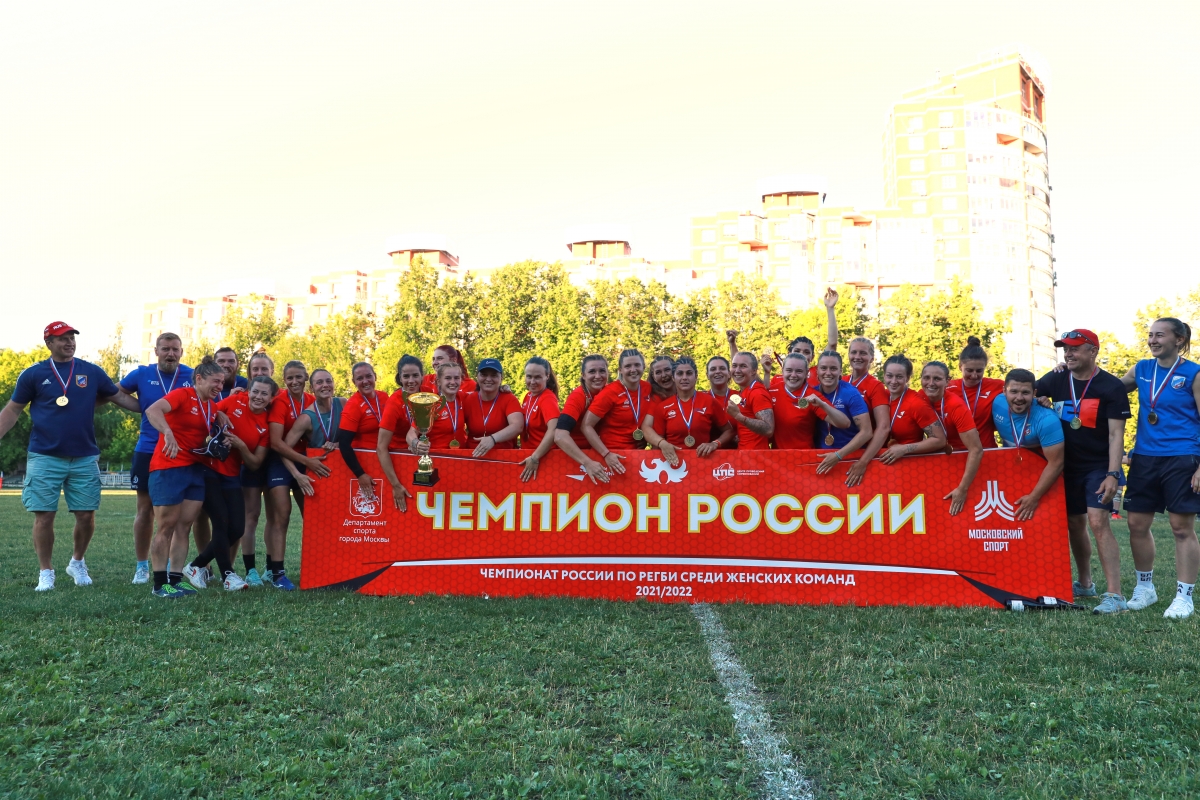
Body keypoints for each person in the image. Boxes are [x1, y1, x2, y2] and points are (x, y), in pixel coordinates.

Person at [0, 321, 137, 591]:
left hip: (84, 457)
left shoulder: (91, 371)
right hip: (44, 456)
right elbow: (13, 409)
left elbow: (120, 398)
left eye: (72, 337)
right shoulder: (33, 374)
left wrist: (157, 408)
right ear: (49, 343)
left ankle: (77, 561)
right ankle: (46, 572)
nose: (69, 342)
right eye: (62, 338)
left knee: (86, 516)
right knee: (44, 516)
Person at [1035, 330, 1131, 612]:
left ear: (1093, 351)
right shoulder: (1056, 378)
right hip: (1065, 466)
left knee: (1098, 522)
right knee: (1074, 524)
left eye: (1075, 348)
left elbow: (1116, 435)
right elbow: (1023, 394)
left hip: (1098, 466)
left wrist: (1113, 474)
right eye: (1065, 349)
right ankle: (1086, 584)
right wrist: (1039, 401)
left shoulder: (1110, 386)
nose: (1069, 354)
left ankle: (1115, 595)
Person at [1117, 318, 1200, 619]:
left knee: (1181, 528)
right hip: (1144, 457)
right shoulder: (1141, 369)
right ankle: (1145, 588)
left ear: (1179, 340)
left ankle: (1184, 597)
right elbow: (1107, 389)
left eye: (1159, 335)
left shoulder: (1193, 373)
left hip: (1182, 456)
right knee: (1136, 524)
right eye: (1150, 335)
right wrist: (1069, 374)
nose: (1152, 340)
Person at [143, 356, 228, 598]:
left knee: (184, 526)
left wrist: (220, 433)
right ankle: (160, 584)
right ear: (199, 379)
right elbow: (152, 410)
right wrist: (167, 432)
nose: (219, 387)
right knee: (166, 526)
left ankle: (176, 579)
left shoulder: (212, 405)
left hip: (195, 469)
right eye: (215, 381)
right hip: (168, 467)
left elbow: (206, 428)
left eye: (222, 383)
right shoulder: (182, 394)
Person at [181, 375, 275, 591]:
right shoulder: (233, 401)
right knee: (221, 522)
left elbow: (255, 463)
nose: (258, 397)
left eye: (264, 393)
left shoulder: (266, 425)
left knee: (237, 528)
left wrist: (241, 446)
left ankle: (196, 566)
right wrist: (219, 411)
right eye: (255, 391)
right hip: (209, 468)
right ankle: (228, 576)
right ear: (248, 391)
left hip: (232, 474)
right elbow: (207, 409)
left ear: (271, 398)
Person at [119, 332, 194, 584]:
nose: (170, 354)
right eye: (165, 349)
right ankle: (142, 566)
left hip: (179, 451)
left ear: (181, 352)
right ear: (156, 351)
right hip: (148, 448)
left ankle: (171, 566)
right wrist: (140, 407)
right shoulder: (142, 374)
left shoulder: (192, 375)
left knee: (175, 513)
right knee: (145, 509)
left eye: (175, 349)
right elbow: (116, 392)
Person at [261, 360, 317, 590]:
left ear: (306, 378)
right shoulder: (280, 402)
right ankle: (277, 574)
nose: (294, 381)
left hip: (305, 461)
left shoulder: (312, 400)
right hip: (280, 462)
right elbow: (276, 443)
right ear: (284, 380)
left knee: (312, 517)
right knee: (281, 516)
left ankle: (316, 568)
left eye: (298, 377)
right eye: (290, 378)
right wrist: (299, 467)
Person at [991, 369, 1065, 521]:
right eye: (1014, 391)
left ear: (1034, 393)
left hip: (1041, 476)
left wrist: (1034, 497)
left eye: (1025, 392)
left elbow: (1056, 463)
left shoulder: (1047, 420)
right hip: (1009, 473)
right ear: (1004, 391)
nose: (1019, 398)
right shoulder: (997, 403)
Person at [237, 353, 284, 585]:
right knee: (251, 515)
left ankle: (270, 568)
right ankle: (250, 570)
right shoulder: (241, 396)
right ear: (249, 372)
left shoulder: (281, 397)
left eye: (264, 369)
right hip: (250, 462)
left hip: (273, 461)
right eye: (255, 369)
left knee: (274, 517)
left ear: (272, 371)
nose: (259, 373)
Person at [729, 287, 837, 386]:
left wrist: (830, 308)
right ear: (789, 353)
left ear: (812, 357)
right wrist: (732, 343)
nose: (801, 354)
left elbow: (832, 345)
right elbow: (745, 370)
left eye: (806, 352)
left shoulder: (819, 373)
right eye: (797, 351)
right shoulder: (777, 379)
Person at [919, 361, 985, 516]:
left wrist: (963, 489)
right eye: (926, 378)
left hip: (962, 464)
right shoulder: (919, 398)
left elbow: (976, 450)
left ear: (947, 381)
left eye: (937, 379)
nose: (931, 383)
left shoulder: (956, 406)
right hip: (936, 463)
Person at [641, 356, 734, 462]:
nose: (684, 377)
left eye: (689, 373)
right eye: (680, 373)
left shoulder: (709, 401)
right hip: (673, 463)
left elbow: (729, 431)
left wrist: (715, 443)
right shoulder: (662, 407)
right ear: (673, 377)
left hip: (703, 462)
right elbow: (657, 444)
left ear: (696, 376)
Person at [580, 349, 653, 475]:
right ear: (620, 370)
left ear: (643, 367)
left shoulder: (647, 388)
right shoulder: (609, 392)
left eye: (637, 365)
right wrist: (606, 454)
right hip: (611, 456)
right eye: (628, 366)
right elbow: (586, 426)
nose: (633, 369)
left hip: (637, 455)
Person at [331, 362, 391, 506]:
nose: (365, 381)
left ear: (375, 376)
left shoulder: (384, 397)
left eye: (368, 376)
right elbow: (344, 444)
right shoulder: (353, 405)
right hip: (367, 463)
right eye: (360, 378)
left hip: (387, 459)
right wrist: (360, 474)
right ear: (354, 381)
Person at [811, 351, 875, 482]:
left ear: (840, 371)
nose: (828, 373)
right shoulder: (813, 393)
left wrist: (838, 455)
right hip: (822, 461)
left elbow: (867, 432)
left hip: (848, 460)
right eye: (823, 368)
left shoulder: (851, 393)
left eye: (833, 368)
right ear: (817, 371)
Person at [767, 353, 850, 449]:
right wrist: (766, 373)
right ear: (782, 371)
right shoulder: (772, 391)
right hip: (776, 456)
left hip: (804, 455)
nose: (793, 375)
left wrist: (822, 405)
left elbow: (845, 423)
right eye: (789, 370)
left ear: (806, 373)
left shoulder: (812, 395)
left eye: (799, 371)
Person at [876, 355, 947, 464]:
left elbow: (940, 440)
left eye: (899, 377)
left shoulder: (916, 403)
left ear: (908, 378)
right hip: (881, 463)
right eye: (889, 376)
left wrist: (904, 449)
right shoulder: (881, 397)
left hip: (910, 465)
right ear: (884, 376)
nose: (893, 381)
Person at [553, 355, 612, 484]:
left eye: (602, 371)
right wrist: (587, 462)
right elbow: (559, 436)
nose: (598, 376)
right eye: (592, 371)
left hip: (599, 453)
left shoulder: (611, 392)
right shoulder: (578, 397)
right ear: (583, 375)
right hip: (574, 458)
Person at [842, 336, 891, 486]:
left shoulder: (875, 386)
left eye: (863, 353)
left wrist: (863, 461)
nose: (857, 357)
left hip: (862, 454)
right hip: (840, 451)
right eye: (854, 352)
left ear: (871, 358)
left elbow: (884, 427)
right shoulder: (840, 381)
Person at [377, 355, 424, 510]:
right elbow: (381, 447)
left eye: (415, 375)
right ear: (400, 378)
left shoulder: (429, 394)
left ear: (422, 376)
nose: (411, 381)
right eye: (406, 376)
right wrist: (395, 485)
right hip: (400, 460)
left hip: (422, 456)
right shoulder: (394, 402)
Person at [949, 337, 1005, 447]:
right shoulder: (948, 388)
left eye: (979, 371)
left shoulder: (996, 386)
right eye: (969, 370)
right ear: (960, 367)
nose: (974, 375)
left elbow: (1025, 391)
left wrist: (1039, 400)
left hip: (987, 452)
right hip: (956, 453)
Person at [462, 359, 523, 458]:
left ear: (501, 378)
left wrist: (492, 439)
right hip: (473, 457)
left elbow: (517, 426)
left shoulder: (509, 398)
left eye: (494, 375)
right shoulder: (468, 399)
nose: (488, 379)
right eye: (484, 375)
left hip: (503, 458)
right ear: (477, 377)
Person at [408, 362, 471, 453]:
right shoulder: (431, 403)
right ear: (438, 381)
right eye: (448, 378)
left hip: (460, 456)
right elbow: (411, 433)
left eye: (456, 378)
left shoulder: (463, 398)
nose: (453, 382)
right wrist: (416, 444)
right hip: (438, 457)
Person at [517, 357, 561, 482]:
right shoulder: (528, 396)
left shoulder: (547, 398)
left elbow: (554, 429)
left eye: (537, 377)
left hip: (543, 460)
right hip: (529, 457)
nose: (532, 381)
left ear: (547, 376)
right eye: (529, 376)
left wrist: (535, 457)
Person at [724, 352, 775, 449]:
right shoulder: (746, 390)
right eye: (734, 366)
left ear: (753, 371)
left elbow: (768, 429)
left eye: (743, 366)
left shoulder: (757, 393)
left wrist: (738, 416)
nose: (737, 370)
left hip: (756, 455)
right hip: (746, 453)